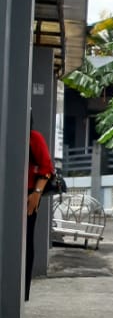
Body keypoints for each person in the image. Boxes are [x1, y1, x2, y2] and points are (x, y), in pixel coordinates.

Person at [25, 125, 53, 301]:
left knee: (26, 241)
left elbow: (46, 167)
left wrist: (36, 193)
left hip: (28, 195)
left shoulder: (34, 137)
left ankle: (23, 291)